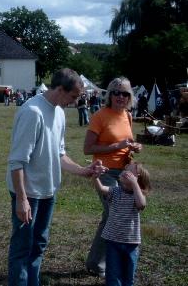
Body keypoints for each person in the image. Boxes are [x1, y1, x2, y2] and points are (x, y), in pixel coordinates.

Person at [7, 68, 107, 286]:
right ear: (60, 89)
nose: (74, 102)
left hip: (47, 191)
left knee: (39, 245)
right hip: (29, 194)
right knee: (23, 249)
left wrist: (84, 170)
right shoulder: (33, 112)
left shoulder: (59, 112)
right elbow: (17, 161)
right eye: (73, 96)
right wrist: (22, 200)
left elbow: (59, 154)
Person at [84, 76, 143, 278]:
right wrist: (115, 146)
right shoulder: (100, 116)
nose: (120, 96)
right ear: (110, 94)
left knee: (109, 216)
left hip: (124, 172)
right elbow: (87, 148)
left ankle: (95, 262)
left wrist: (135, 147)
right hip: (105, 171)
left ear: (130, 97)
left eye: (125, 93)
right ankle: (101, 263)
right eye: (116, 92)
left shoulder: (127, 116)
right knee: (113, 214)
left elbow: (128, 142)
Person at [92, 162, 150, 286]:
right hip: (113, 240)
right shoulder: (115, 191)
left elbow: (141, 204)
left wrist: (135, 184)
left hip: (131, 243)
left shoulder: (138, 195)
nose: (123, 172)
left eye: (128, 172)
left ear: (137, 177)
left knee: (128, 274)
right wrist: (95, 177)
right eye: (124, 170)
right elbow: (102, 189)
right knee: (112, 273)